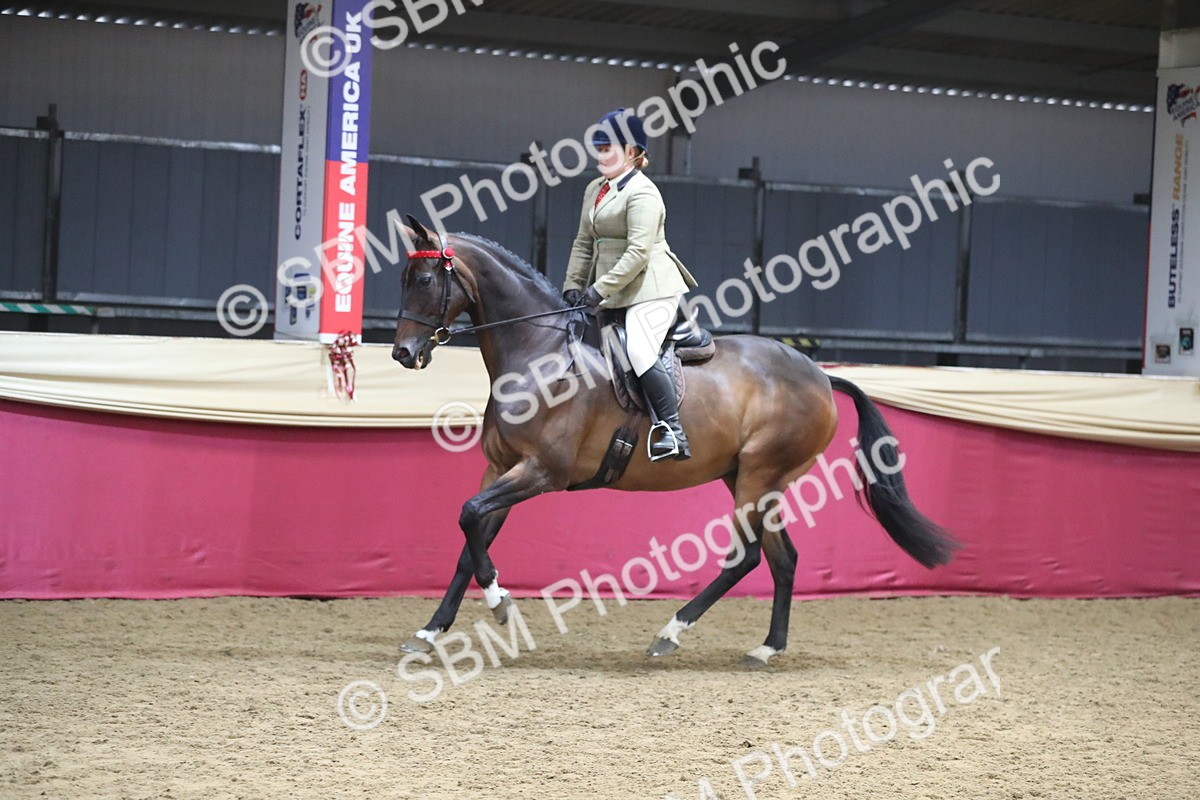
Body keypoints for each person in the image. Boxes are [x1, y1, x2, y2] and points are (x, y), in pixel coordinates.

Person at [562, 108, 700, 461]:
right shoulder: (595, 189)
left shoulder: (644, 193)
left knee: (639, 350)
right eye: (600, 147)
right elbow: (582, 242)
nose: (602, 154)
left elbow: (638, 253)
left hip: (651, 288)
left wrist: (598, 289)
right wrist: (573, 286)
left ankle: (672, 431)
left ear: (634, 154)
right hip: (613, 289)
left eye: (611, 148)